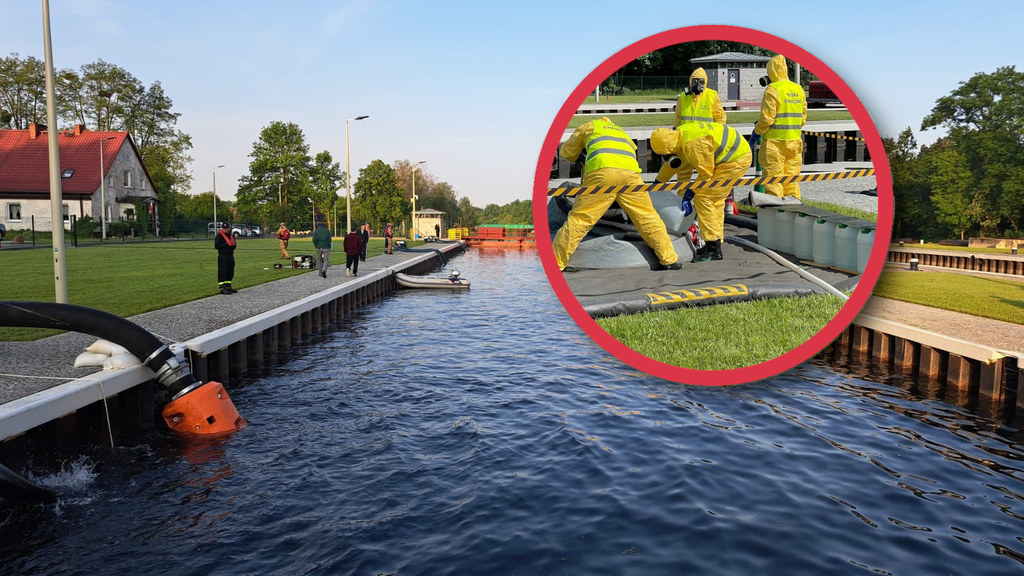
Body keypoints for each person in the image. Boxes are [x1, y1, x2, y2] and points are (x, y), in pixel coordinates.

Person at [552, 117, 680, 272]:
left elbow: (567, 152)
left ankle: (556, 263)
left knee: (581, 219)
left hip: (602, 172)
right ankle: (669, 259)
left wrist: (581, 153)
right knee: (647, 216)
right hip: (631, 174)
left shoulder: (590, 126)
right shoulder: (621, 132)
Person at [650, 121, 752, 261]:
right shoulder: (678, 136)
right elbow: (673, 164)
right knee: (715, 200)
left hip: (734, 161)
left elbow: (706, 174)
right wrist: (658, 182)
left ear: (670, 148)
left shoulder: (693, 144)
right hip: (730, 157)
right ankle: (715, 242)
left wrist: (690, 192)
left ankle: (713, 249)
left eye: (667, 155)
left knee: (705, 199)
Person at [749, 54, 807, 199]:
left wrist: (756, 134)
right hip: (794, 142)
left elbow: (766, 118)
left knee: (773, 180)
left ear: (772, 72)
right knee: (791, 179)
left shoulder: (773, 89)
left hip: (774, 144)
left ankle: (774, 212)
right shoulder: (798, 89)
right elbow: (803, 118)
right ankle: (792, 210)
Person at [214, 221, 237, 294]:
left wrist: (231, 247)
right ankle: (222, 287)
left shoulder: (231, 235)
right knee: (222, 271)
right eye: (224, 228)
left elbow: (234, 245)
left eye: (226, 228)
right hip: (223, 256)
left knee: (230, 271)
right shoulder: (219, 236)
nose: (225, 230)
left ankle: (228, 286)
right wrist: (226, 245)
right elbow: (217, 246)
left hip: (230, 255)